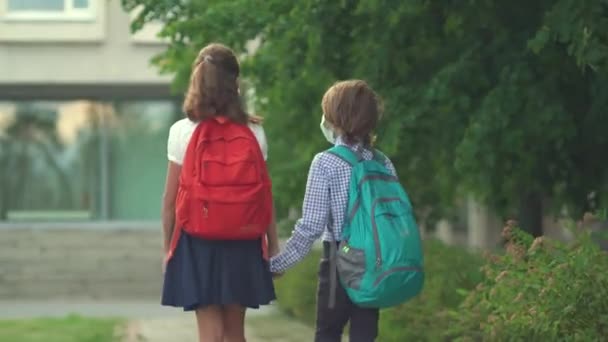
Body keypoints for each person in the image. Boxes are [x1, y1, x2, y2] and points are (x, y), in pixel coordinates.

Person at [161, 43, 279, 342]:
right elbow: (264, 195)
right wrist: (273, 245)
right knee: (235, 331)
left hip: (197, 238)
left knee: (210, 334)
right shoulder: (254, 132)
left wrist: (168, 249)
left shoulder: (182, 131)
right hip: (244, 235)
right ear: (235, 84)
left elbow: (170, 202)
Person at [270, 80, 399, 342]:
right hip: (376, 259)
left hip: (340, 259)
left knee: (328, 333)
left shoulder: (326, 162)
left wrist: (277, 265)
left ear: (337, 119)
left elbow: (311, 227)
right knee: (365, 334)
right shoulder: (383, 163)